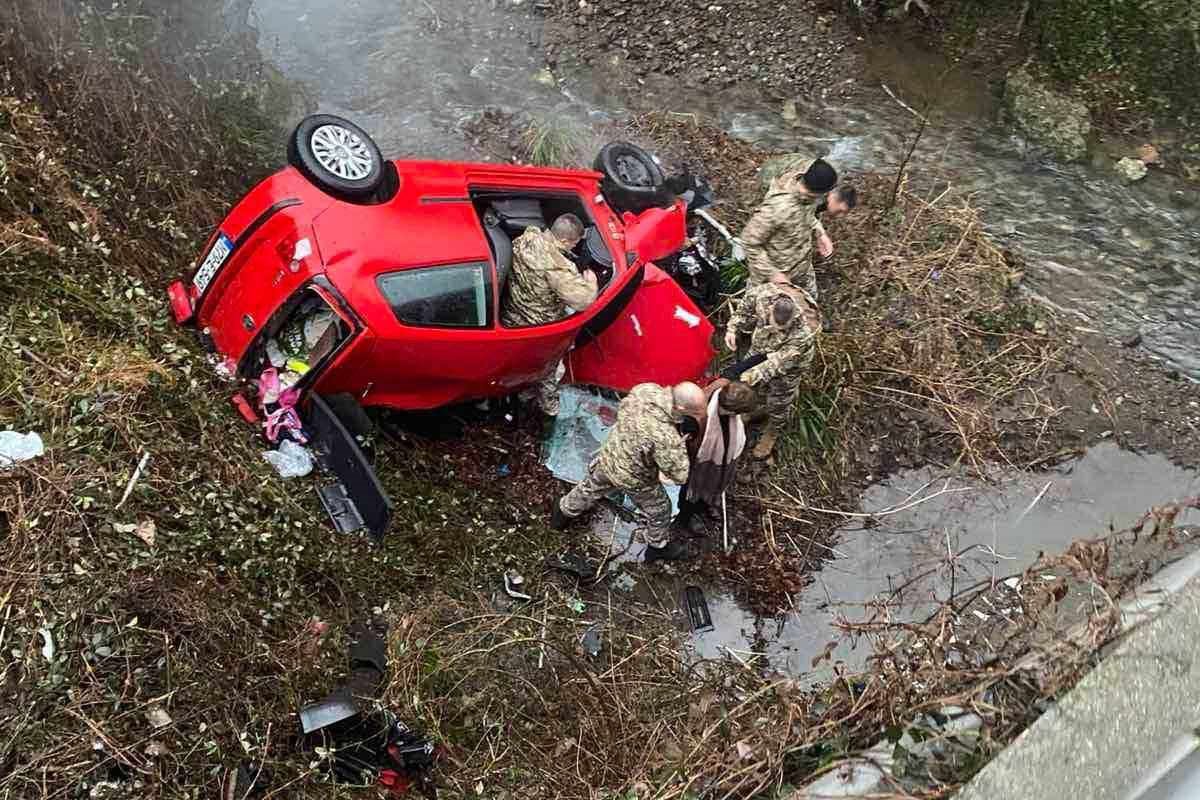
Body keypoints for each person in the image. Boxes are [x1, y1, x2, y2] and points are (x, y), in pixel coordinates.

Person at [551, 382, 707, 563]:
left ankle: (562, 513)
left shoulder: (645, 389)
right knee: (661, 510)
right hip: (634, 477)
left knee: (590, 488)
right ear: (680, 408)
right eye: (695, 413)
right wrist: (683, 439)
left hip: (610, 454)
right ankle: (657, 548)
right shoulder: (667, 438)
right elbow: (680, 475)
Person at [502, 213, 598, 417]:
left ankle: (517, 392)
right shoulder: (557, 267)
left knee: (519, 363)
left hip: (513, 314)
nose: (574, 248)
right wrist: (592, 283)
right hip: (540, 326)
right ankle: (550, 409)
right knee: (547, 370)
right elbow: (583, 301)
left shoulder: (525, 238)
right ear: (563, 241)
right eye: (574, 244)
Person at [724, 272, 821, 459]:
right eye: (774, 325)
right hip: (760, 346)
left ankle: (772, 431)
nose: (778, 330)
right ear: (769, 310)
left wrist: (745, 376)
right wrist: (732, 328)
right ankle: (755, 410)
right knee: (756, 388)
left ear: (793, 318)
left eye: (782, 329)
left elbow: (776, 364)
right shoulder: (762, 295)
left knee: (779, 399)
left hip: (789, 365)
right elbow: (743, 310)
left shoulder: (805, 331)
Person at [739, 158, 838, 297]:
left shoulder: (809, 195)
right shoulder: (778, 208)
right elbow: (749, 242)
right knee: (760, 316)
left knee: (810, 306)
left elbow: (808, 215)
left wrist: (820, 233)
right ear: (819, 192)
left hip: (802, 268)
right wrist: (773, 274)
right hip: (772, 280)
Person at [673, 379, 758, 534]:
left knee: (714, 479)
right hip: (697, 462)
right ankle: (685, 518)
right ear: (732, 411)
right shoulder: (699, 416)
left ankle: (706, 504)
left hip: (720, 458)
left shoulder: (724, 388)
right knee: (690, 489)